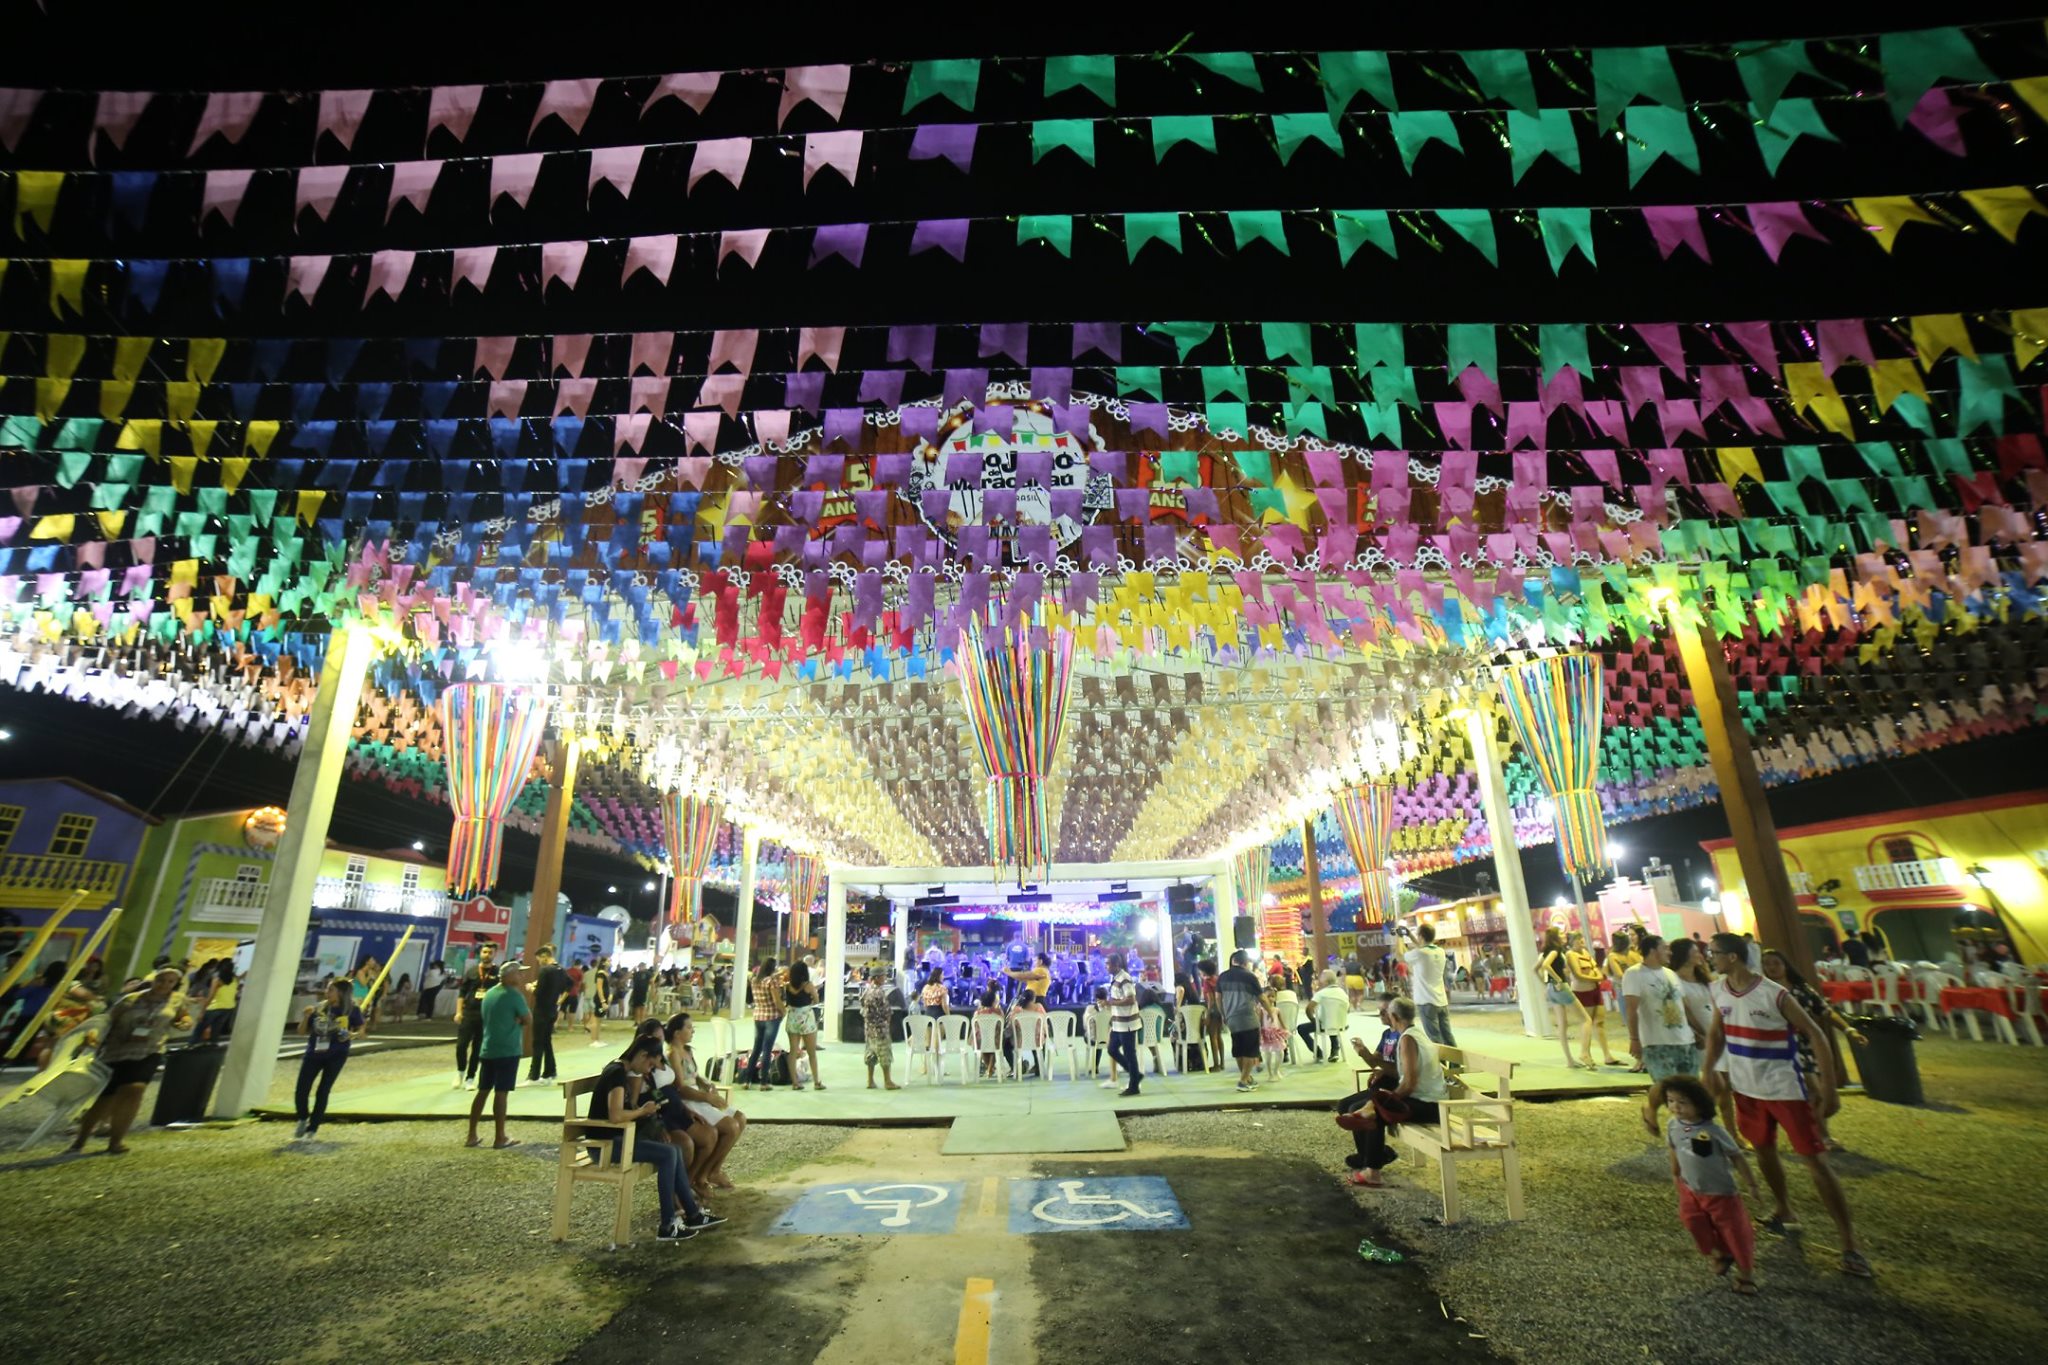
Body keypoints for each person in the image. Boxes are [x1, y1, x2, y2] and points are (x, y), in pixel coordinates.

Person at [1702, 933, 1871, 1277]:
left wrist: (1829, 1085)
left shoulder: (1774, 994)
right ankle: (1784, 1209)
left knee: (1815, 1160)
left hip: (1784, 1086)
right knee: (1763, 1150)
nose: (1711, 958)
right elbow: (1717, 1033)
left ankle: (1849, 1242)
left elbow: (1815, 1033)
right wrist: (1708, 1068)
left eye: (1715, 953)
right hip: (1747, 1088)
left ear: (1733, 957)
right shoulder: (1718, 989)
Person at [591, 1036, 722, 1241]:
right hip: (606, 1145)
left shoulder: (621, 1071)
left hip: (621, 1139)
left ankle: (692, 1214)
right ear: (642, 1055)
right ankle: (668, 1224)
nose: (648, 1070)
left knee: (675, 1150)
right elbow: (615, 1115)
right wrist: (643, 1111)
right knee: (669, 1153)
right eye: (650, 1064)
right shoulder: (616, 1073)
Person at [1645, 1074, 1762, 1294]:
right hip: (1689, 1188)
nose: (1675, 1107)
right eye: (1670, 1101)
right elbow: (1673, 1147)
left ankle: (1746, 1274)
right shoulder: (1673, 1125)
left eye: (1682, 1102)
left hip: (1721, 1193)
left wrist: (1752, 1184)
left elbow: (1737, 1156)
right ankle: (1720, 1252)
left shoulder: (1715, 1131)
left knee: (1735, 1231)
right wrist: (1675, 1173)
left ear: (1699, 1103)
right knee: (1692, 1222)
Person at [69, 968, 190, 1155]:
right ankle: (80, 1141)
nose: (164, 985)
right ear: (153, 980)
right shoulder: (130, 1000)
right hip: (118, 1051)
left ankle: (116, 1141)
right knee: (106, 1098)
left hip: (149, 1050)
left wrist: (185, 1022)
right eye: (161, 980)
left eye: (170, 982)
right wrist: (93, 1036)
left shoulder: (176, 1000)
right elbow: (107, 1020)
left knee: (135, 1089)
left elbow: (182, 1015)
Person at [1760, 949, 1868, 1153]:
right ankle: (1819, 1136)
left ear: (1785, 965)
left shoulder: (1802, 990)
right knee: (1814, 1093)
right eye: (1766, 964)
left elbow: (1825, 1011)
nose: (1771, 967)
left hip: (1806, 1046)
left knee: (1812, 1096)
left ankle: (1815, 1135)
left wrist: (1848, 1029)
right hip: (1782, 1049)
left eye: (1775, 963)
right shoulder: (1764, 992)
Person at [1335, 996, 1447, 1187]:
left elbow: (1409, 1083)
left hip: (1429, 1104)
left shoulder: (1408, 1040)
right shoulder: (1412, 1034)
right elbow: (1406, 1078)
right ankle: (1372, 1158)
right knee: (1361, 1108)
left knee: (1373, 1114)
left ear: (1394, 1016)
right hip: (1424, 1099)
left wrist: (1382, 1100)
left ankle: (1373, 1170)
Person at [666, 1012, 746, 1190]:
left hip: (699, 1096)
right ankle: (702, 1176)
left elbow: (694, 1076)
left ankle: (713, 1170)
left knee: (740, 1118)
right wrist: (708, 1097)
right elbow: (680, 1087)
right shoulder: (673, 1054)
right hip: (690, 1101)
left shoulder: (687, 1051)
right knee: (731, 1127)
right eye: (688, 1027)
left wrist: (707, 1085)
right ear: (676, 1032)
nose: (692, 1031)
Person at [466, 959, 529, 1150]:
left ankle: (471, 1134)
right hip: (507, 1049)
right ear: (510, 976)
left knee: (483, 1091)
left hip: (488, 1048)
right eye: (519, 972)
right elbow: (528, 1019)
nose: (522, 975)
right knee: (501, 1092)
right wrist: (518, 1020)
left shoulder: (490, 993)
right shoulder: (514, 996)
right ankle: (500, 1136)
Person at [293, 978, 363, 1139]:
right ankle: (303, 1117)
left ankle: (312, 1129)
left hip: (336, 1055)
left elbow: (361, 1032)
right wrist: (305, 1017)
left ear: (340, 993)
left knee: (323, 1091)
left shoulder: (352, 1010)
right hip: (314, 1054)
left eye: (330, 989)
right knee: (301, 1090)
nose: (326, 992)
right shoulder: (319, 1008)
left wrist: (350, 1035)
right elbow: (301, 1032)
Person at [1622, 935, 1698, 1082]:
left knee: (1691, 1092)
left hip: (1685, 1041)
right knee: (1669, 1090)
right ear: (1652, 950)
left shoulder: (1670, 973)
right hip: (1657, 1044)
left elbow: (1684, 1007)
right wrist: (1634, 1039)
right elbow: (1631, 1010)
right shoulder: (1634, 974)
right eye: (1665, 948)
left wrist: (1698, 1031)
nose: (1669, 952)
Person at [1566, 930, 1624, 1067]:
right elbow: (1578, 974)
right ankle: (1585, 1053)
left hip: (1595, 990)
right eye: (1578, 939)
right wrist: (1596, 978)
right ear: (1571, 942)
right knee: (1587, 1022)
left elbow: (1595, 967)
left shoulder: (1585, 952)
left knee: (1600, 1022)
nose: (1581, 941)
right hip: (1582, 991)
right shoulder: (1570, 954)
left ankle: (1607, 1055)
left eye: (1582, 939)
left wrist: (1598, 976)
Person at [1535, 927, 1589, 1070]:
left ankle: (1569, 1060)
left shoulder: (1544, 952)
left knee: (1562, 1024)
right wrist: (1558, 980)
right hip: (1560, 987)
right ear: (1555, 937)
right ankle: (1584, 1053)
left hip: (1551, 989)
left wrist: (1545, 984)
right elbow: (1546, 966)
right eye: (1560, 934)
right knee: (1586, 1019)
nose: (1563, 935)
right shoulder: (1555, 950)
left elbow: (1535, 969)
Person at [1215, 950, 1264, 1093]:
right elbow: (1262, 997)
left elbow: (1218, 998)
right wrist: (1271, 1011)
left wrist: (1224, 1014)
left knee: (1239, 1050)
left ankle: (1247, 1078)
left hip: (1231, 1019)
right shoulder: (1249, 976)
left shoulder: (1222, 977)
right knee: (1250, 1051)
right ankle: (1243, 1081)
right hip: (1248, 1017)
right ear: (1245, 962)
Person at [452, 943, 499, 1089]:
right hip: (469, 1013)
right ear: (481, 953)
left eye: (490, 952)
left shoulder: (498, 973)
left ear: (494, 954)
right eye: (484, 952)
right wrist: (459, 1012)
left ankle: (470, 1078)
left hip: (487, 1015)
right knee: (461, 1045)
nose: (487, 954)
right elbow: (462, 993)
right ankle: (460, 1072)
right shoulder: (472, 971)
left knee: (477, 1048)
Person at [1402, 923, 1456, 1047]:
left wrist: (1399, 939)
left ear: (1421, 936)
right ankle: (1456, 1063)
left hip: (1426, 1001)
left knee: (1434, 1038)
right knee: (1447, 1036)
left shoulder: (1420, 953)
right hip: (1441, 1000)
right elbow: (1422, 947)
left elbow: (1400, 955)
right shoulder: (1440, 951)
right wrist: (1410, 935)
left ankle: (1440, 1065)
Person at [527, 945, 572, 1084]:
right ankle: (550, 1071)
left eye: (539, 959)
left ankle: (533, 1076)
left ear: (544, 956)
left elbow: (539, 993)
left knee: (538, 1043)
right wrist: (560, 999)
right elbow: (569, 985)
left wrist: (531, 988)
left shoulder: (545, 970)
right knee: (546, 1041)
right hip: (553, 1009)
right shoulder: (561, 969)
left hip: (541, 1010)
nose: (539, 962)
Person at [782, 959, 824, 1090]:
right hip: (806, 1018)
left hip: (792, 1018)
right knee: (811, 1052)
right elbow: (816, 1000)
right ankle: (817, 1082)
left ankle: (795, 1082)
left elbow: (787, 1001)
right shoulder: (809, 985)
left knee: (793, 1051)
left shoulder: (787, 986)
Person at [743, 958, 784, 1091]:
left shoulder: (755, 980)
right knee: (767, 1049)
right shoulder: (771, 982)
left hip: (758, 1016)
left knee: (756, 1049)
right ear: (772, 968)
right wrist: (783, 1012)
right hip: (772, 1017)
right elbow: (777, 1000)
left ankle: (747, 1081)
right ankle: (764, 1083)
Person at [1104, 952, 1142, 1096]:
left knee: (1129, 1053)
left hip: (1127, 1022)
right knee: (1112, 1049)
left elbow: (1131, 999)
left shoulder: (1124, 978)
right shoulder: (1116, 978)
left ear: (1116, 965)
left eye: (1108, 964)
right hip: (1118, 1022)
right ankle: (1135, 1074)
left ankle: (1134, 1086)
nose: (1106, 966)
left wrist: (1112, 1003)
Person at [859, 967, 901, 1091]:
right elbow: (886, 1011)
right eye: (883, 976)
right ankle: (887, 1081)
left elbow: (862, 1006)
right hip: (880, 1029)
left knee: (870, 1054)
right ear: (877, 978)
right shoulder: (879, 992)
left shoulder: (866, 991)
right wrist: (886, 1022)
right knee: (884, 1054)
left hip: (869, 1028)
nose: (885, 978)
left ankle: (870, 1080)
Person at [1257, 989, 1289, 1079]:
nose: (1270, 998)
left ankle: (1276, 1070)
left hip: (1276, 1033)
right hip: (1266, 1033)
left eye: (1272, 996)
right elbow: (1259, 1023)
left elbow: (1281, 1022)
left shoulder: (1277, 1010)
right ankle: (1270, 1073)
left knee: (1280, 1052)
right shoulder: (1262, 1010)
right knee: (1267, 1054)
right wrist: (1259, 1033)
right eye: (1268, 996)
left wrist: (1285, 1029)